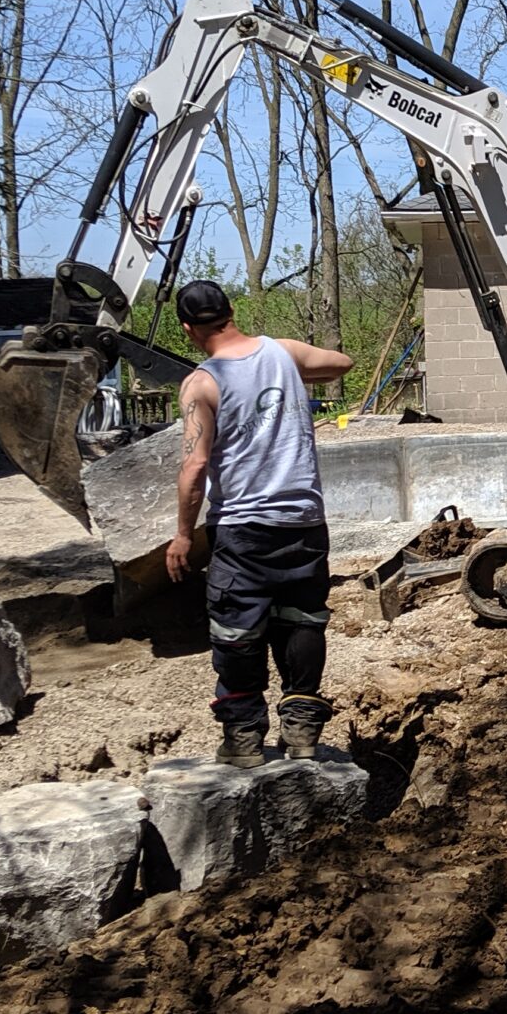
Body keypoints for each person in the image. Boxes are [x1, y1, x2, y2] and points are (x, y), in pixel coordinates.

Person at [161, 280, 353, 768]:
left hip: (243, 528)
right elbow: (340, 364)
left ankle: (245, 738)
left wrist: (184, 534)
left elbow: (195, 467)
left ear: (188, 329)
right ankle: (303, 731)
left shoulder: (202, 383)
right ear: (231, 312)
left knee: (236, 628)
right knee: (303, 620)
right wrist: (287, 378)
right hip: (304, 522)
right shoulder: (282, 353)